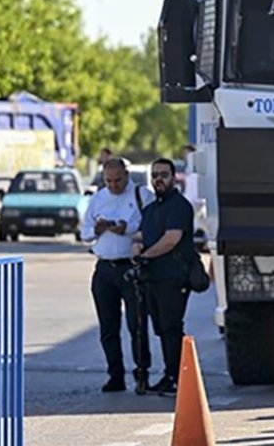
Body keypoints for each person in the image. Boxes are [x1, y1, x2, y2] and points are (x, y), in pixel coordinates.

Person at [80, 157, 154, 394]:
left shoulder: (142, 195)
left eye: (118, 180)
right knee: (108, 328)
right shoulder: (98, 198)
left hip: (130, 267)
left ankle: (142, 373)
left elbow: (152, 228)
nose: (113, 185)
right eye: (108, 181)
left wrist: (128, 229)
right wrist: (97, 229)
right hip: (104, 268)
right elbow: (84, 233)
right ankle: (115, 375)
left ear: (127, 175)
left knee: (137, 325)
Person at [133, 158, 194, 397]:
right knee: (161, 327)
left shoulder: (178, 206)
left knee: (171, 327)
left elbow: (171, 239)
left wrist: (145, 256)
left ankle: (177, 377)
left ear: (173, 177)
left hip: (173, 277)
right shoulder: (150, 209)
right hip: (153, 278)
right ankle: (170, 375)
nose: (159, 179)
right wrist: (136, 248)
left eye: (164, 175)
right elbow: (140, 235)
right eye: (155, 175)